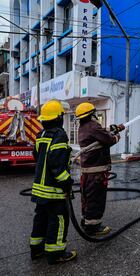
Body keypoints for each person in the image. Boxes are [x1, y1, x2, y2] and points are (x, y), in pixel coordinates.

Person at [30, 100, 77, 264]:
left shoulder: (40, 135)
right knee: (58, 220)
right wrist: (67, 181)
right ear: (59, 118)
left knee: (40, 218)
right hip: (54, 190)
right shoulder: (59, 135)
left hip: (39, 189)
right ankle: (55, 254)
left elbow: (36, 156)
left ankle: (36, 250)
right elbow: (56, 164)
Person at [75, 102, 122, 236]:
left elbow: (100, 136)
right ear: (92, 114)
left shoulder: (83, 127)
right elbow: (109, 140)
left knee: (87, 197)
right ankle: (93, 227)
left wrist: (110, 130)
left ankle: (86, 220)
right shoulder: (93, 126)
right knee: (96, 198)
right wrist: (117, 136)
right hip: (96, 171)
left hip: (87, 171)